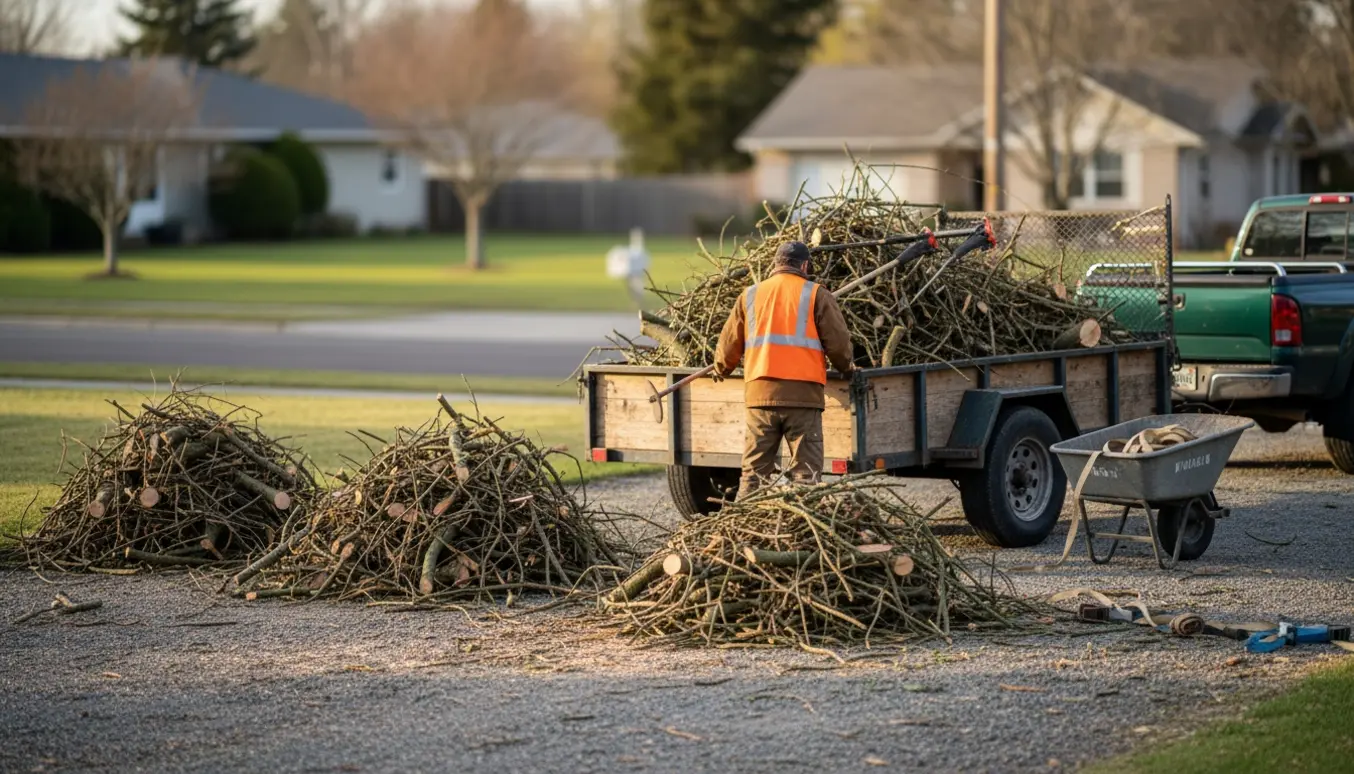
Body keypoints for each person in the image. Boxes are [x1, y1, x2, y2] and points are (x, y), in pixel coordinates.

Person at [712, 240, 857, 500]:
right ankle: (803, 531)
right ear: (804, 265)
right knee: (806, 475)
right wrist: (847, 368)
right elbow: (838, 343)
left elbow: (728, 343)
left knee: (753, 474)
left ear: (776, 265)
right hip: (803, 398)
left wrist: (722, 368)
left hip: (760, 397)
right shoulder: (816, 294)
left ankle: (741, 529)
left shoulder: (750, 294)